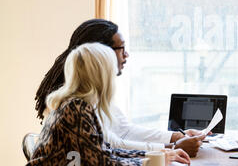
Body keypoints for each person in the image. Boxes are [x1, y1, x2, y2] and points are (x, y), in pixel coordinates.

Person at [22, 43, 189, 166]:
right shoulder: (76, 109)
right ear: (101, 76)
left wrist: (157, 155)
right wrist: (150, 162)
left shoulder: (75, 105)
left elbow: (106, 152)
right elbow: (104, 165)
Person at [34, 19, 206, 157]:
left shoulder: (91, 90)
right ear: (100, 52)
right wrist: (170, 148)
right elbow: (110, 146)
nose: (126, 54)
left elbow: (123, 130)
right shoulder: (76, 102)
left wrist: (176, 137)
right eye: (121, 48)